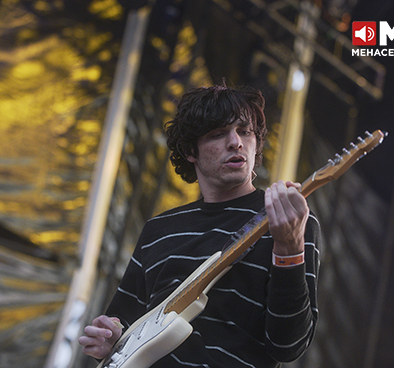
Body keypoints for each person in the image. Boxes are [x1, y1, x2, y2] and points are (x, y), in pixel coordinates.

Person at [78, 84, 320, 367]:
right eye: (218, 134)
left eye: (245, 131)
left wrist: (289, 246)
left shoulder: (287, 218)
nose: (236, 142)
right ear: (190, 151)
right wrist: (109, 338)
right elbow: (123, 326)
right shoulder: (159, 231)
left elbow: (288, 346)